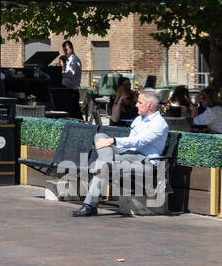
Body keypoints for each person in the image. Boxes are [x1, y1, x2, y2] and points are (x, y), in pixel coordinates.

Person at [72, 88, 169, 217]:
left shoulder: (159, 124)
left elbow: (138, 141)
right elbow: (130, 142)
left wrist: (112, 140)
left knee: (103, 166)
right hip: (129, 154)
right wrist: (109, 142)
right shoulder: (140, 119)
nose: (136, 105)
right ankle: (107, 165)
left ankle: (89, 206)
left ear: (149, 105)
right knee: (100, 136)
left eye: (139, 102)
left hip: (145, 162)